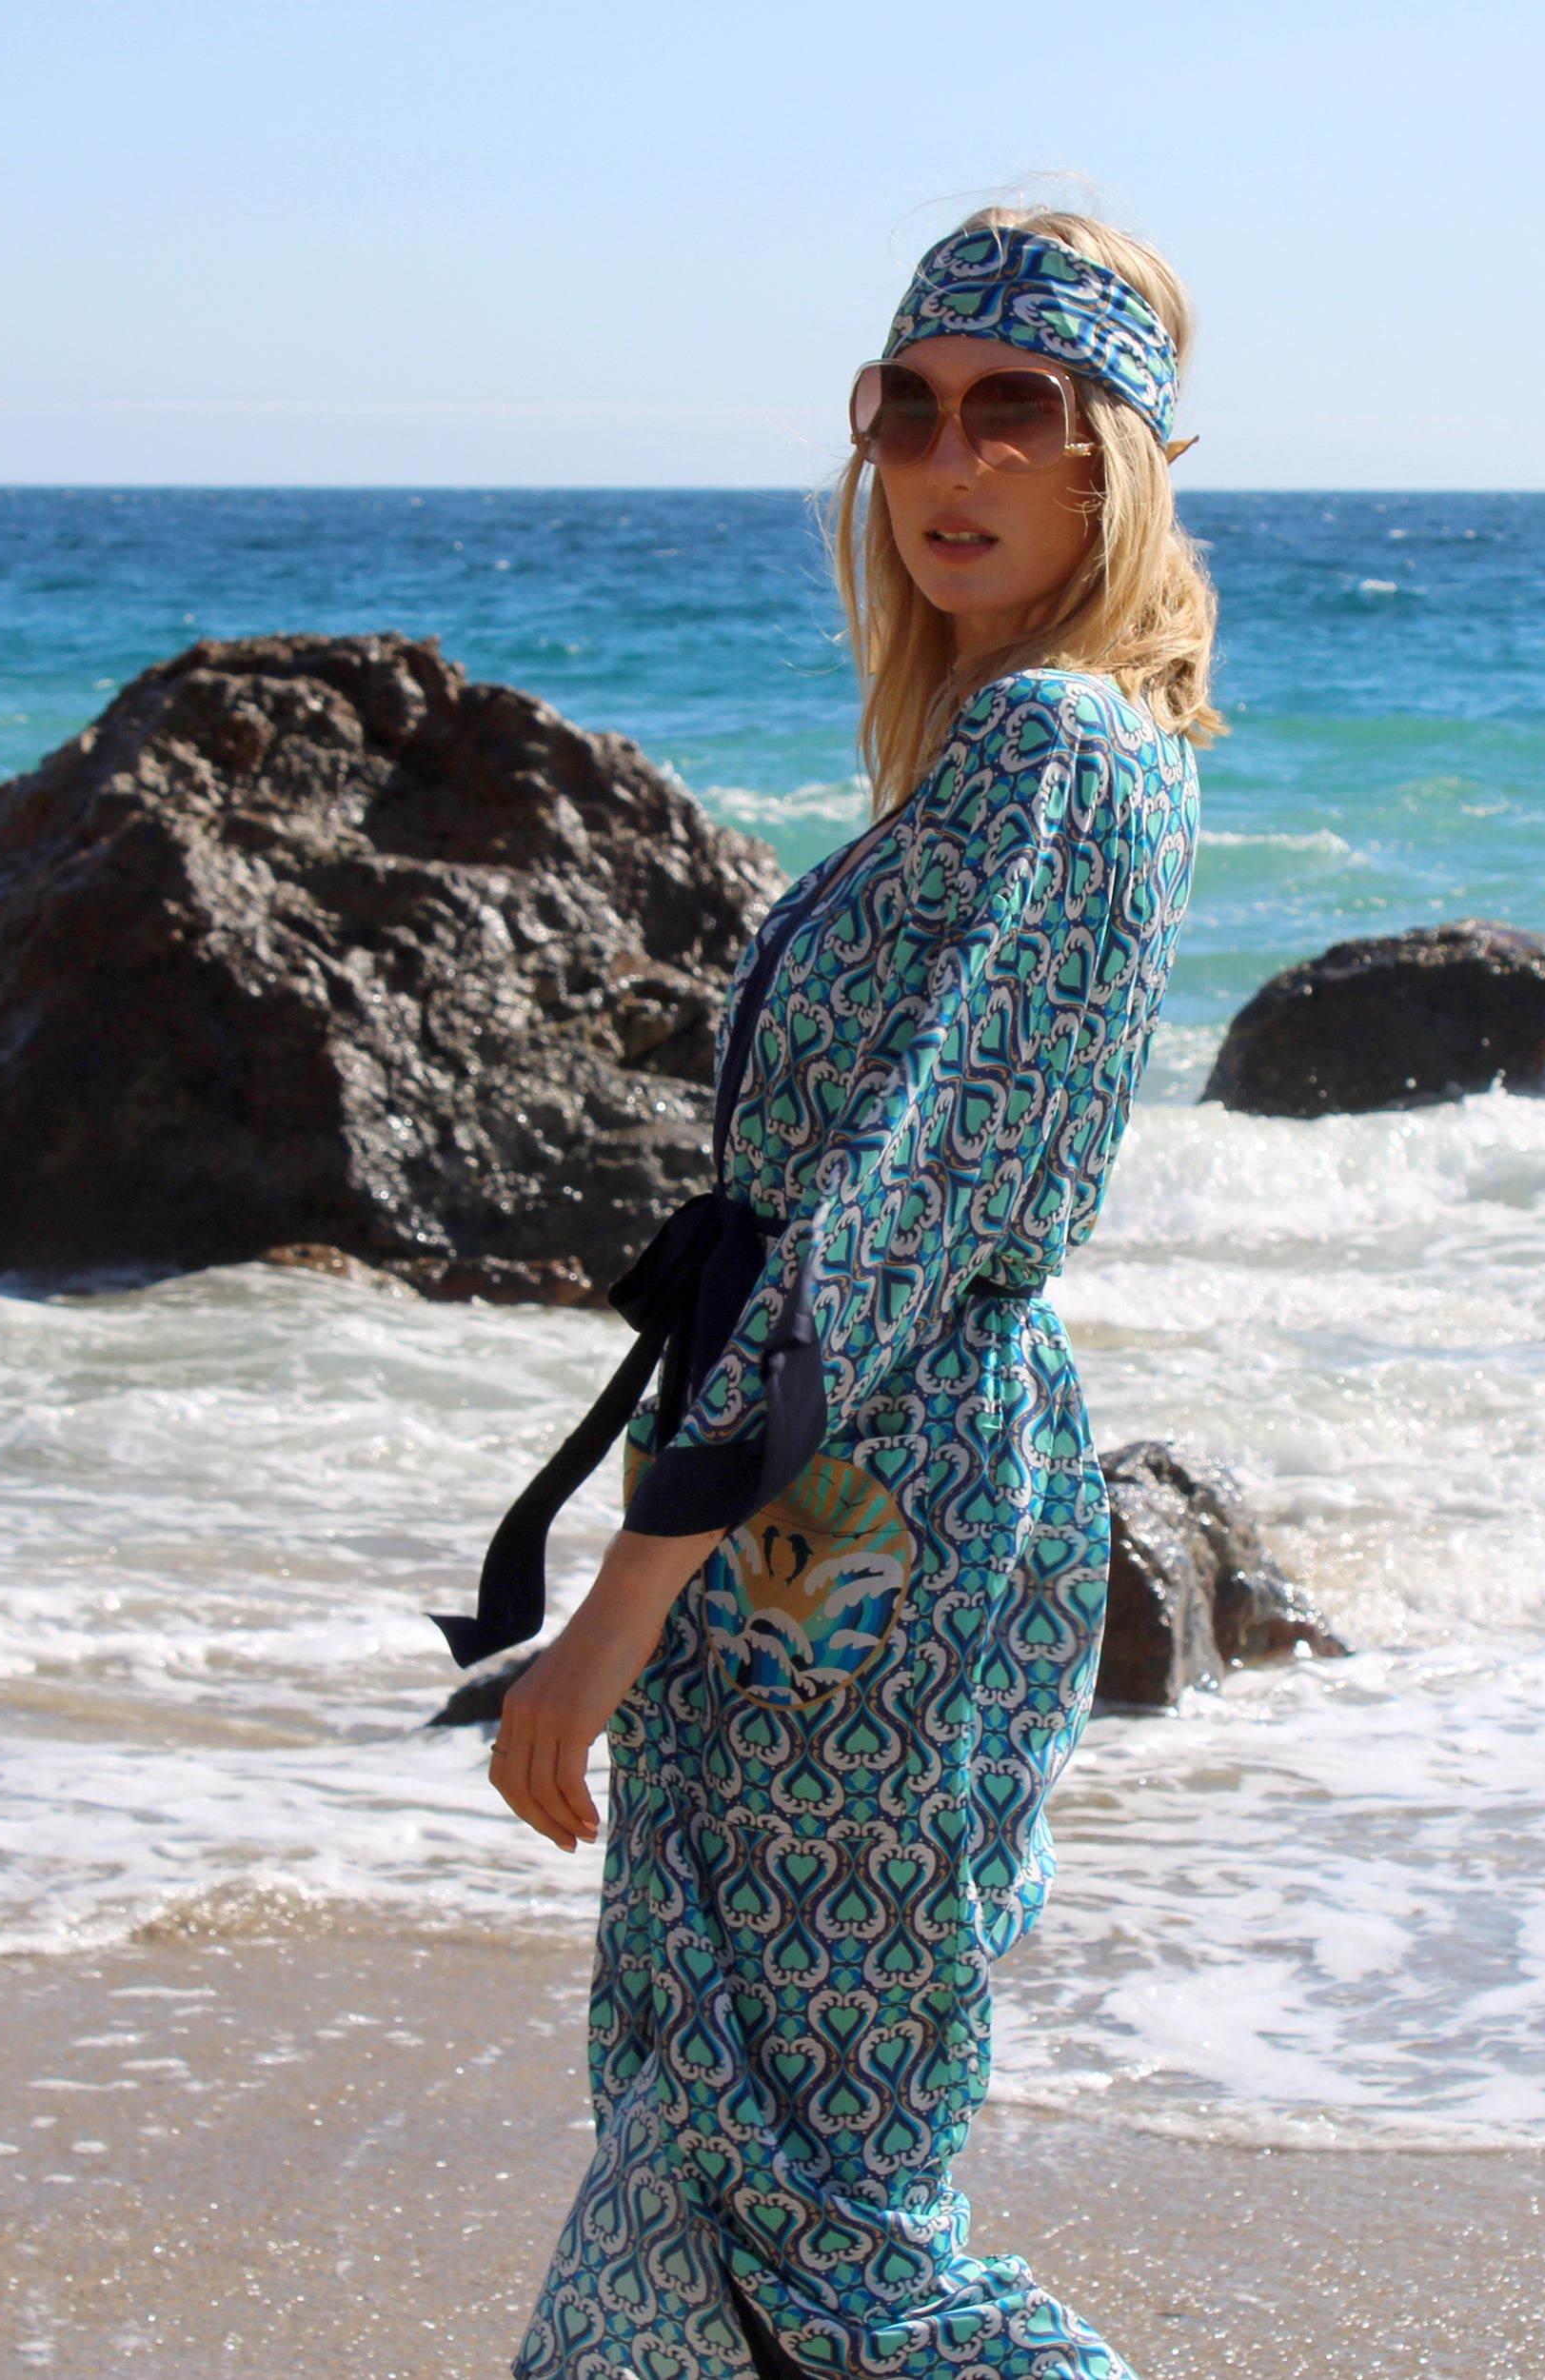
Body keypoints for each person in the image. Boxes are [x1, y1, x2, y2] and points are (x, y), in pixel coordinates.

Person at [481, 207, 1218, 2379]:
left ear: (1112, 460)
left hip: (867, 1512)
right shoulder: (1011, 751)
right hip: (832, 1507)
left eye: (1013, 411)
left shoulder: (1058, 751)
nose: (945, 461)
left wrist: (622, 1600)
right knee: (707, 2150)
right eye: (906, 409)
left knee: (815, 2207)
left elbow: (885, 1223)